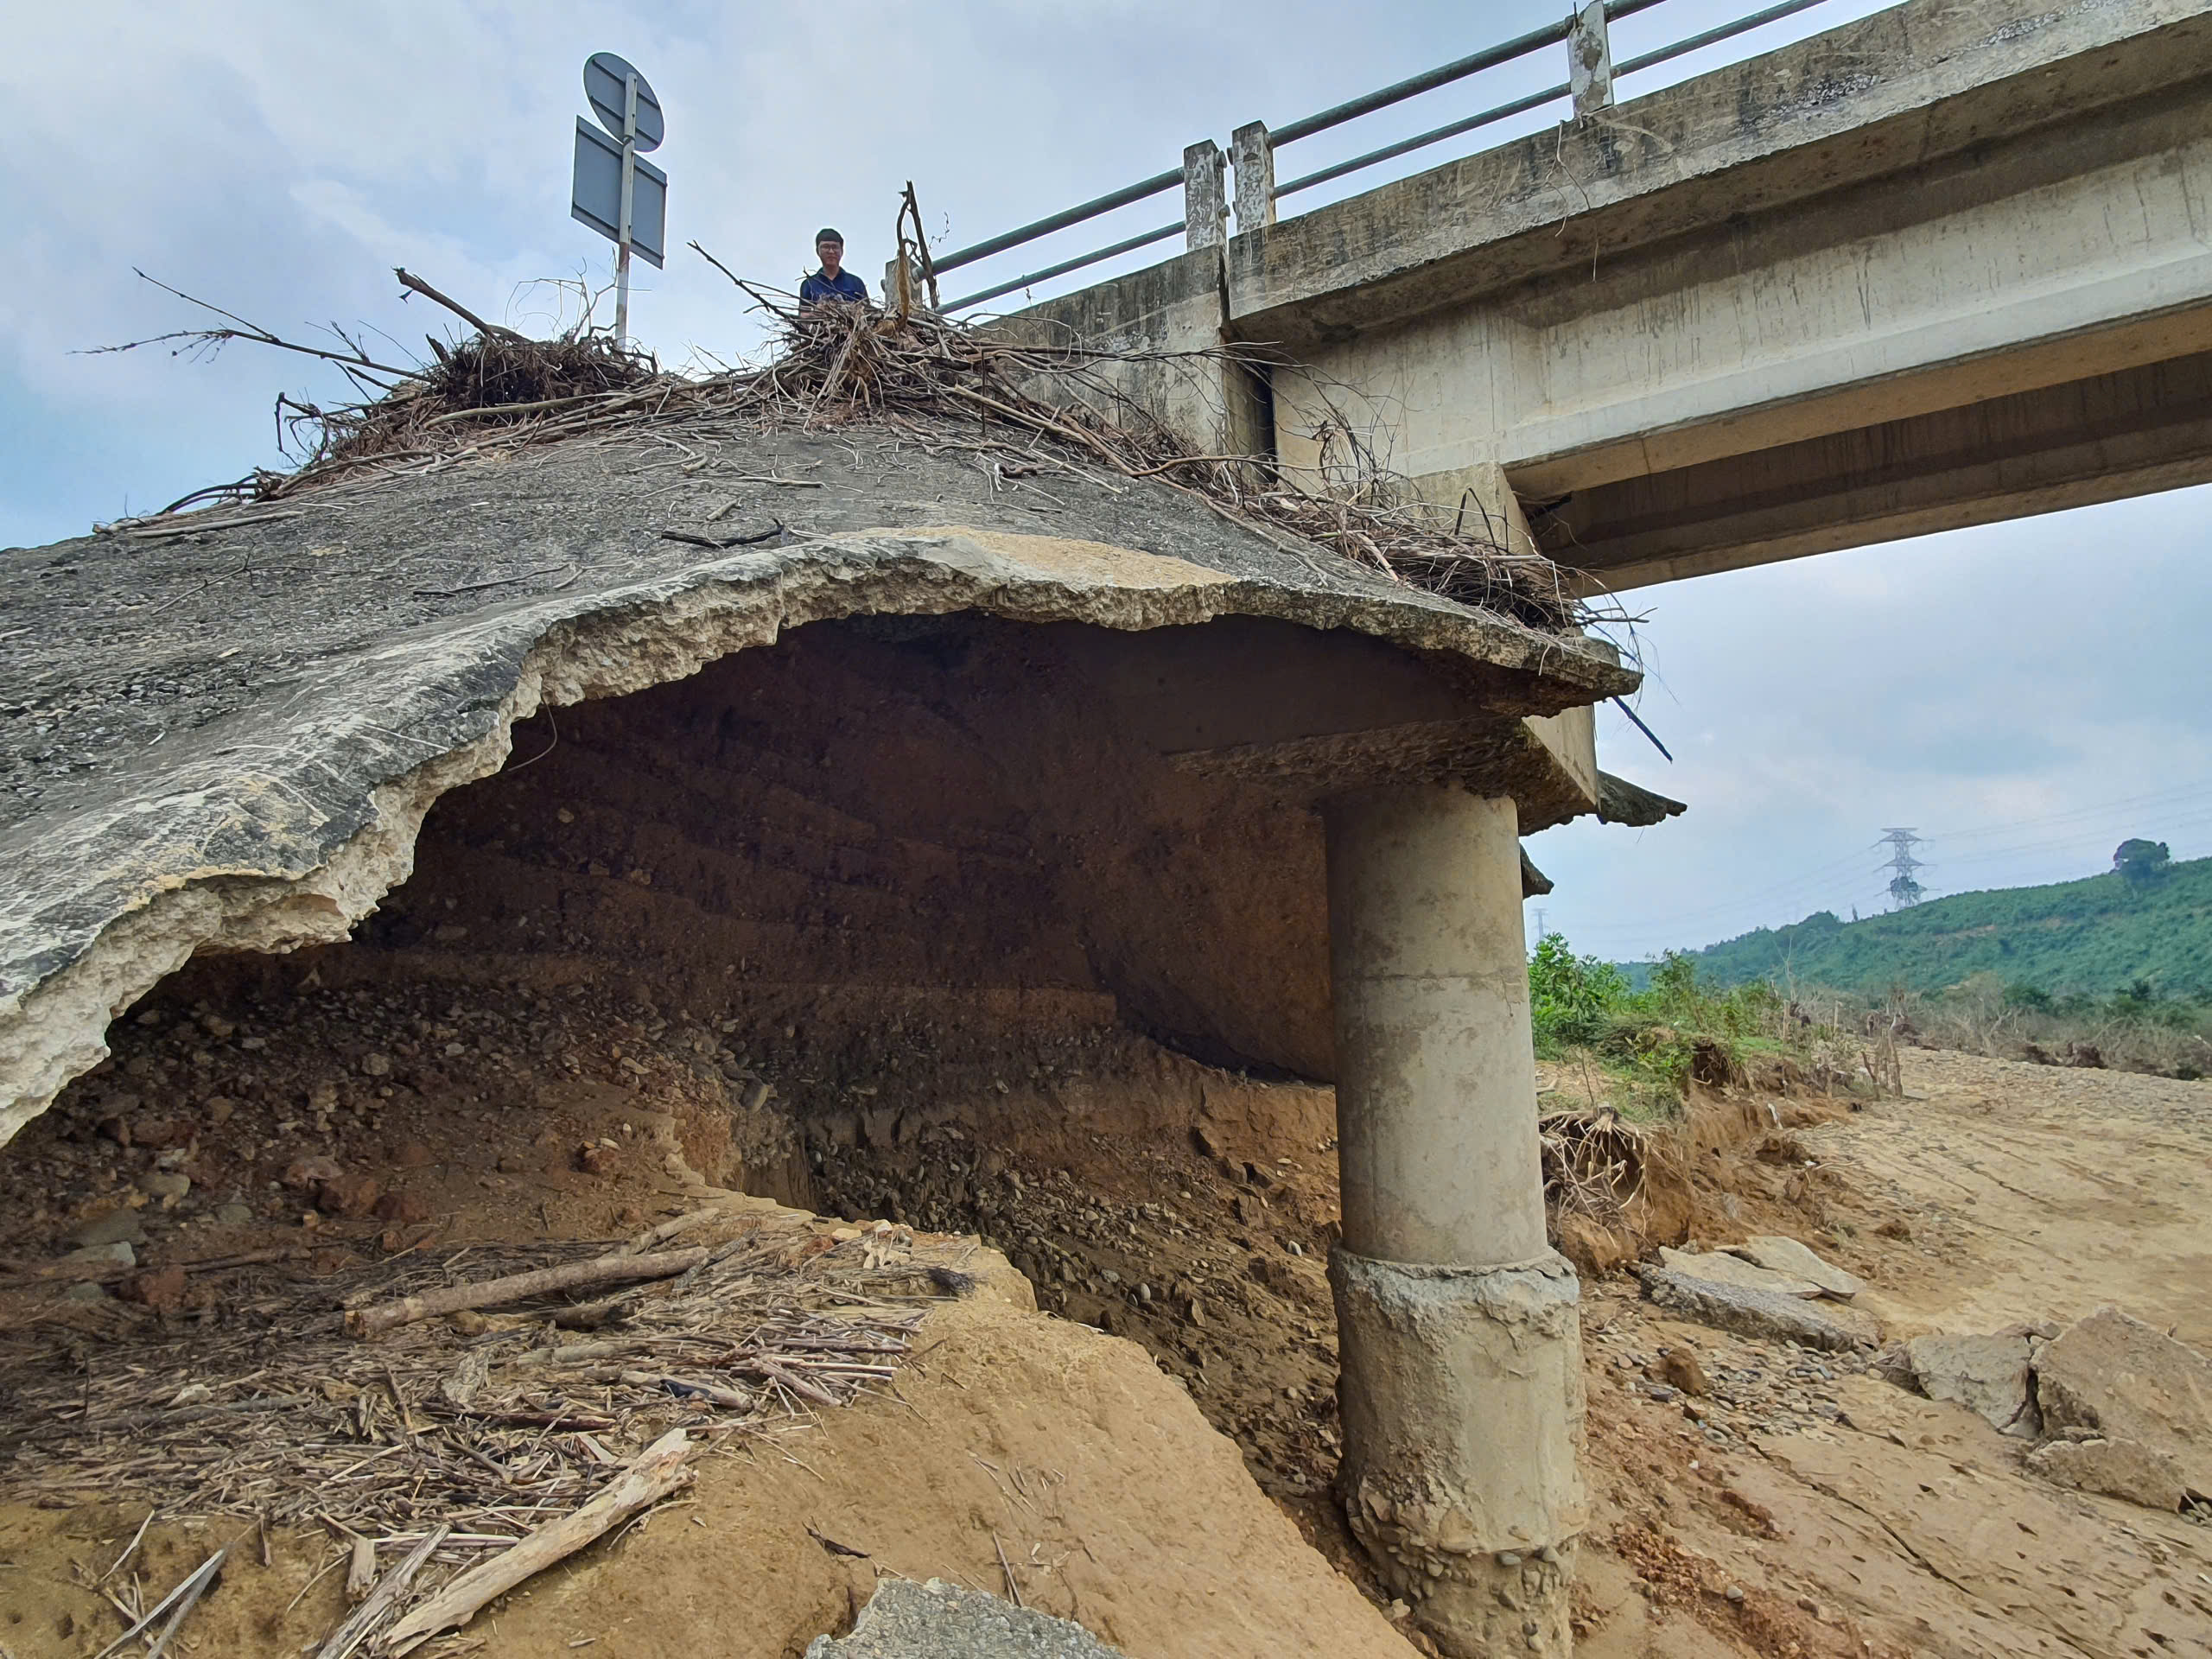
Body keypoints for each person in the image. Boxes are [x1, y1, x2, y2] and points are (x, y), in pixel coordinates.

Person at [798, 229, 868, 308]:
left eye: (835, 247)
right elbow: (803, 315)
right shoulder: (809, 284)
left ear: (842, 251)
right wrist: (818, 311)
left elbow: (867, 313)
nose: (831, 251)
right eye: (826, 247)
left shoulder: (856, 283)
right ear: (818, 251)